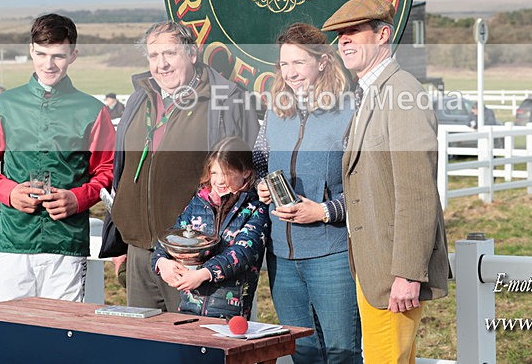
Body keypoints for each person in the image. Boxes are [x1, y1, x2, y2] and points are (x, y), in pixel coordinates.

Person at [321, 0, 450, 364]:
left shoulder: (402, 92)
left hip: (394, 273)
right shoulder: (370, 92)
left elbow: (417, 192)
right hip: (374, 268)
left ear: (383, 35)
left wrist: (408, 274)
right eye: (340, 35)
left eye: (354, 31)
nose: (344, 40)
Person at [104, 21, 259, 312]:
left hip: (197, 257)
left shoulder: (227, 100)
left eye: (170, 54)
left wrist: (214, 257)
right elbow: (121, 171)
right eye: (154, 56)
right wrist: (120, 241)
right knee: (144, 337)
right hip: (140, 253)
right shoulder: (139, 99)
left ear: (192, 54)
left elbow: (250, 174)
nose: (161, 64)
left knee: (192, 338)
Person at [0, 13, 116, 303]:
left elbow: (108, 170)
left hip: (67, 244)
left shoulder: (93, 111)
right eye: (42, 54)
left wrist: (78, 199)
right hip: (14, 241)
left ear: (73, 55)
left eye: (58, 55)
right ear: (31, 50)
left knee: (61, 329)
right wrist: (9, 192)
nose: (49, 64)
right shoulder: (2, 106)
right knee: (6, 326)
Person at [253, 23, 362, 363]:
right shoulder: (276, 111)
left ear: (323, 61)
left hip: (332, 255)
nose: (290, 72)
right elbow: (260, 162)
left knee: (342, 353)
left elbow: (368, 186)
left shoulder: (350, 110)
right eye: (284, 63)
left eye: (299, 62)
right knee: (302, 352)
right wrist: (262, 186)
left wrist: (325, 211)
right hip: (281, 258)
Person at [151, 137, 268, 319]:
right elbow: (173, 236)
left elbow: (243, 252)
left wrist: (204, 274)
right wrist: (161, 262)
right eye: (214, 173)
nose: (219, 181)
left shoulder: (256, 208)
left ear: (245, 172)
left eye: (226, 173)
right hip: (189, 307)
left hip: (229, 313)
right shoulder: (197, 203)